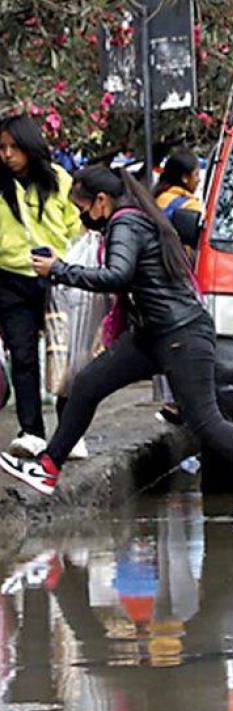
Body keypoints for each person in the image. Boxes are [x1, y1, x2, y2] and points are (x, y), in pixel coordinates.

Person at [0, 164, 233, 521]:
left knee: (205, 420)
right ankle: (49, 467)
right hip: (152, 334)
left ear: (101, 201)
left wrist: (59, 270)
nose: (83, 219)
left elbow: (117, 275)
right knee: (87, 385)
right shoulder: (137, 218)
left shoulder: (126, 223)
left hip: (180, 335)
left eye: (83, 210)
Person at [0, 114, 83, 459]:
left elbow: (75, 224)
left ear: (30, 147)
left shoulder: (60, 180)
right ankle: (31, 430)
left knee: (64, 357)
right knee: (21, 355)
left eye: (14, 147)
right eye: (1, 148)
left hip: (57, 276)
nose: (6, 155)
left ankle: (69, 433)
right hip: (10, 277)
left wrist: (67, 261)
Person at [151, 148, 203, 427]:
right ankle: (184, 401)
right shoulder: (188, 205)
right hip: (180, 278)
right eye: (196, 174)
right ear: (184, 177)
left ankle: (169, 399)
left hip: (154, 279)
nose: (197, 180)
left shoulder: (155, 199)